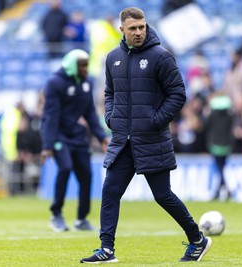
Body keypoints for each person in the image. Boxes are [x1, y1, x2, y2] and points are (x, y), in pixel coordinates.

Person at [80, 7, 212, 264]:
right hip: (122, 141)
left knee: (162, 195)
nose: (139, 32)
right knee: (110, 191)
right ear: (122, 30)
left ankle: (198, 239)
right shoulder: (112, 58)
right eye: (133, 28)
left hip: (152, 139)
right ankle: (106, 250)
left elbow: (178, 94)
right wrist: (110, 117)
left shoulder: (161, 57)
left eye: (142, 27)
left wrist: (155, 121)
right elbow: (109, 93)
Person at [40, 49, 108, 232]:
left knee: (86, 175)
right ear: (72, 66)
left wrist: (102, 136)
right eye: (82, 65)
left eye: (87, 65)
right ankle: (56, 214)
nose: (86, 69)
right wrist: (47, 145)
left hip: (77, 136)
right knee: (65, 168)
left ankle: (81, 219)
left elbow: (90, 113)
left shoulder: (86, 83)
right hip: (58, 135)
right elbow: (50, 116)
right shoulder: (54, 83)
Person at [204, 92, 234, 200]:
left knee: (219, 168)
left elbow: (206, 126)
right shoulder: (230, 113)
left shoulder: (212, 114)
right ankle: (221, 191)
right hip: (227, 144)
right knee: (221, 167)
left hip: (215, 143)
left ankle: (221, 192)